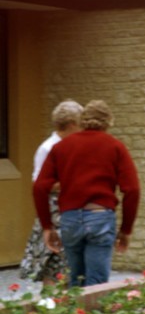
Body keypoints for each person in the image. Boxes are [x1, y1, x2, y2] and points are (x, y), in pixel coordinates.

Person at [33, 100, 140, 287]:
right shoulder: (115, 147)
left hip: (70, 218)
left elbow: (39, 187)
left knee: (76, 280)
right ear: (109, 122)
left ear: (82, 121)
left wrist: (47, 226)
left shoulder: (61, 147)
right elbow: (132, 189)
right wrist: (126, 229)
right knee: (96, 284)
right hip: (100, 217)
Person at [20, 100, 83, 285]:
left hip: (70, 210)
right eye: (81, 124)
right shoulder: (47, 148)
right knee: (53, 261)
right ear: (72, 124)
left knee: (69, 264)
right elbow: (39, 183)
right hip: (54, 212)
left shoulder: (73, 146)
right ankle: (51, 305)